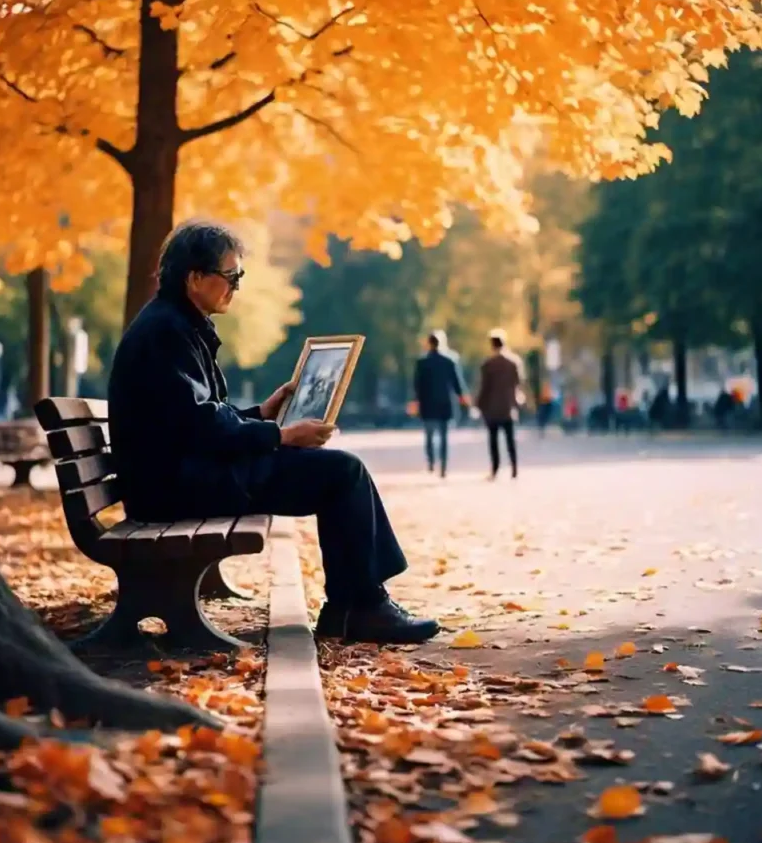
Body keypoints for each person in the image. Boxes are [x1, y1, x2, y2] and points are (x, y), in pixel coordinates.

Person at [108, 221, 440, 645]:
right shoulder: (166, 332)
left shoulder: (176, 324)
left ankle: (354, 605)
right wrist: (279, 435)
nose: (236, 287)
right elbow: (199, 424)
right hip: (176, 486)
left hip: (182, 473)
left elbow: (194, 417)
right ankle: (360, 607)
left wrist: (262, 414)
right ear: (195, 278)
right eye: (231, 277)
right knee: (341, 473)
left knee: (338, 471)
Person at [412, 332, 469, 477]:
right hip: (445, 403)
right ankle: (443, 466)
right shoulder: (449, 360)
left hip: (427, 403)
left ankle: (431, 462)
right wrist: (462, 396)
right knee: (444, 436)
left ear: (429, 343)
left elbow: (417, 385)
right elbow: (457, 381)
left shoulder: (422, 362)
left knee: (429, 435)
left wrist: (416, 401)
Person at [476, 328, 522, 479]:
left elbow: (484, 387)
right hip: (508, 406)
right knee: (510, 439)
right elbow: (518, 383)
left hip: (492, 408)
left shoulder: (488, 364)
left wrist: (479, 405)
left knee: (493, 440)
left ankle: (495, 469)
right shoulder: (514, 362)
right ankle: (514, 467)